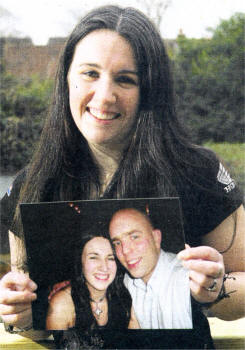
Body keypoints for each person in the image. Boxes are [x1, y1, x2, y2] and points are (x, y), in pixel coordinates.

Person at [0, 4, 244, 349]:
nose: (104, 96)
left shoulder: (197, 172)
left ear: (150, 90)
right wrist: (19, 316)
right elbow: (39, 327)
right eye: (90, 73)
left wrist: (216, 289)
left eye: (125, 79)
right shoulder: (34, 184)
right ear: (66, 78)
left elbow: (243, 285)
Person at [45, 230, 139, 348]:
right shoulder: (62, 304)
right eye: (94, 257)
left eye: (110, 258)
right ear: (80, 262)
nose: (104, 267)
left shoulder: (123, 295)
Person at [109, 207, 193, 329]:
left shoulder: (183, 276)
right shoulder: (127, 282)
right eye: (117, 243)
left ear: (156, 238)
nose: (125, 250)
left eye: (134, 237)